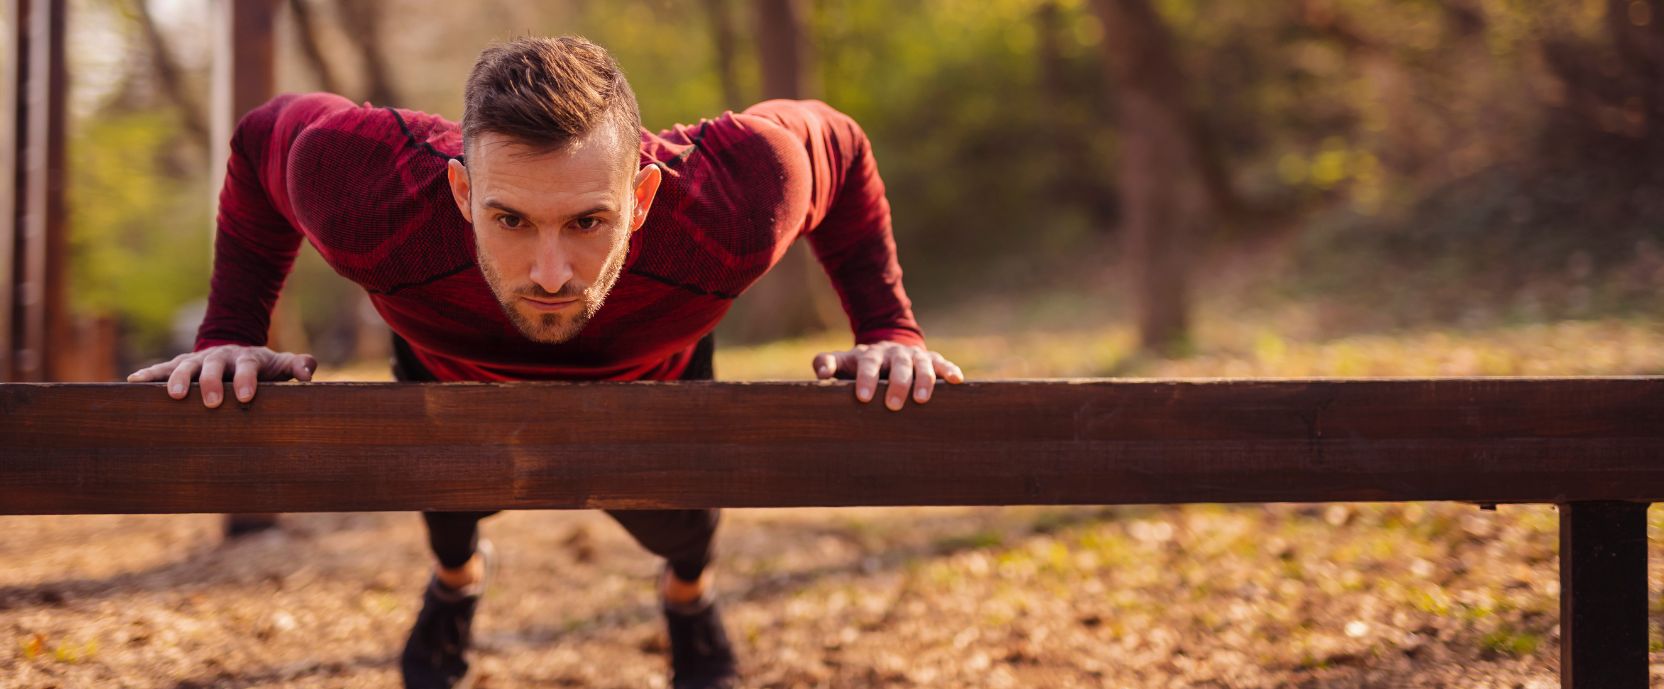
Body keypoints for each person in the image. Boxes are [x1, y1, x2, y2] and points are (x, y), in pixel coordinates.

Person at [126, 35, 963, 689]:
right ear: (460, 194)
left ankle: (687, 597)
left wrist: (888, 328)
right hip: (450, 380)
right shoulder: (368, 192)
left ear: (641, 197)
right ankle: (456, 582)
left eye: (589, 222)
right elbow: (260, 137)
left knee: (685, 533)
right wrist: (229, 328)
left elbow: (842, 149)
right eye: (512, 220)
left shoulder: (734, 201)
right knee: (450, 515)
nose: (552, 275)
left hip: (653, 382)